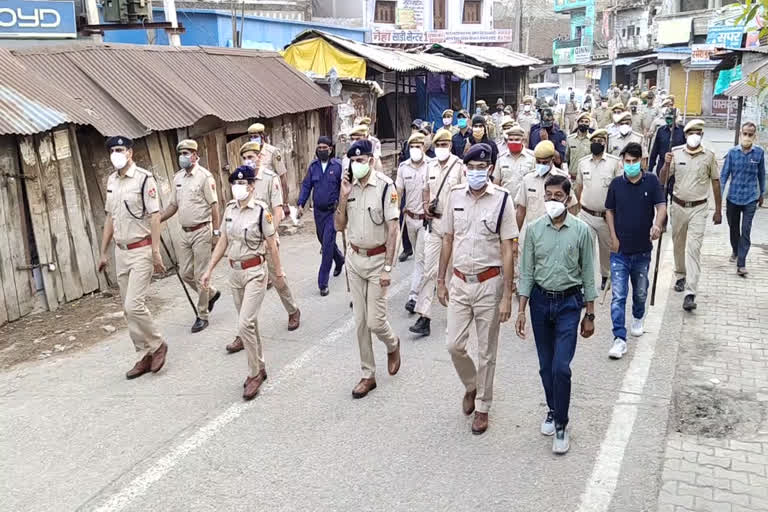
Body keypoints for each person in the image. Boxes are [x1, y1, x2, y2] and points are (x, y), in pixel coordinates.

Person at [438, 143, 518, 435]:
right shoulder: (455, 195)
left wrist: (508, 295)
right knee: (454, 345)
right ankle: (472, 384)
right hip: (459, 281)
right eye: (470, 168)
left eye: (480, 168)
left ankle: (483, 406)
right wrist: (440, 280)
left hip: (489, 282)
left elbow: (508, 248)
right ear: (465, 169)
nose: (475, 172)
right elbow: (447, 238)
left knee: (487, 351)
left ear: (490, 169)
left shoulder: (502, 200)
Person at [516, 173, 597, 454]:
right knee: (545, 366)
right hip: (540, 302)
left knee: (561, 367)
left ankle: (561, 423)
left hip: (569, 304)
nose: (552, 201)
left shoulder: (581, 231)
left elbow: (588, 272)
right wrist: (522, 310)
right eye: (547, 196)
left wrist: (590, 314)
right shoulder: (535, 230)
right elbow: (526, 271)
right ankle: (552, 408)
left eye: (558, 196)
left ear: (568, 198)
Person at [200, 165, 286, 400]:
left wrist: (278, 273)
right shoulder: (229, 209)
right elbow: (224, 241)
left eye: (242, 184)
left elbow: (271, 244)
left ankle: (254, 373)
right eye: (234, 184)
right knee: (250, 324)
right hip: (235, 273)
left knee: (244, 324)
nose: (237, 188)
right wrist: (209, 269)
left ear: (251, 186)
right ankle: (260, 366)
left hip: (255, 272)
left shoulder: (261, 212)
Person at [334, 139, 402, 398]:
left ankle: (393, 343)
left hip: (377, 262)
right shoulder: (348, 188)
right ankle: (367, 373)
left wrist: (387, 267)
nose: (357, 165)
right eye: (353, 161)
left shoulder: (385, 187)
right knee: (360, 322)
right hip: (355, 259)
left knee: (375, 321)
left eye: (361, 161)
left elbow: (393, 229)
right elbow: (340, 225)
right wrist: (343, 196)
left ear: (371, 161)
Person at [98, 136, 168, 379]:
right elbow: (110, 218)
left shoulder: (143, 179)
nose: (116, 153)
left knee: (134, 304)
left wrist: (156, 251)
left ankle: (158, 344)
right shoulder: (111, 181)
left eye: (120, 149)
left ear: (130, 152)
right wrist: (103, 251)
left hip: (141, 249)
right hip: (121, 251)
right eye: (112, 150)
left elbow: (155, 216)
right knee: (127, 311)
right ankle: (144, 354)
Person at [226, 142, 300, 355]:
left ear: (259, 157)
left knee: (278, 279)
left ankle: (293, 310)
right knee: (244, 292)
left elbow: (277, 212)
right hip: (246, 245)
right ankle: (244, 332)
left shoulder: (270, 179)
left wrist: (268, 235)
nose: (249, 159)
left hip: (266, 239)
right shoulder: (241, 182)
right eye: (245, 156)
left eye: (252, 156)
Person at [605, 142, 666, 360]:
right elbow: (609, 211)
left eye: (634, 161)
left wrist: (657, 224)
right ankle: (619, 339)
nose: (630, 165)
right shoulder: (615, 184)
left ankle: (638, 316)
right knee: (618, 296)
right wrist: (612, 236)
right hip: (620, 251)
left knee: (640, 292)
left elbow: (661, 206)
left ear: (641, 161)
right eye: (626, 161)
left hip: (642, 250)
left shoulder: (651, 181)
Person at [159, 139, 222, 333]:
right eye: (181, 153)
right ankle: (210, 294)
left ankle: (202, 314)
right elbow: (173, 205)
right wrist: (157, 219)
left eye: (187, 153)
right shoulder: (178, 178)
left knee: (200, 274)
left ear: (195, 155)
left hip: (202, 230)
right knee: (185, 273)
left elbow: (214, 206)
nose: (183, 157)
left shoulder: (205, 177)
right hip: (184, 232)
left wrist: (216, 232)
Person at [660, 119, 722, 311]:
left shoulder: (709, 155)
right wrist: (665, 163)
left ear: (701, 135)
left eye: (698, 132)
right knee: (678, 244)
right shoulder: (676, 153)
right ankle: (680, 275)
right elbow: (663, 179)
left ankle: (690, 292)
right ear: (685, 135)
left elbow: (716, 182)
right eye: (691, 132)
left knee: (694, 248)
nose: (694, 135)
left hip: (699, 208)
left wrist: (718, 209)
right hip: (678, 206)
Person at [410, 128, 465, 336]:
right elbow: (426, 189)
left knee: (451, 272)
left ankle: (454, 316)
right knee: (429, 270)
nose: (441, 148)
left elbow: (464, 194)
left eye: (445, 145)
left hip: (454, 227)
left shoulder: (459, 166)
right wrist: (425, 205)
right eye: (438, 145)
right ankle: (424, 317)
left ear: (450, 146)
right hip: (434, 224)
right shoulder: (430, 165)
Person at [574, 129, 622, 291]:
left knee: (606, 249)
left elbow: (620, 189)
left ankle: (605, 276)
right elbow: (578, 187)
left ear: (605, 143)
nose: (598, 144)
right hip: (586, 214)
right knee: (584, 249)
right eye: (595, 141)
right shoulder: (583, 163)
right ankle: (582, 281)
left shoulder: (614, 163)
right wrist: (578, 209)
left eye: (601, 141)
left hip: (605, 216)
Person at [297, 136, 345, 296]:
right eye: (319, 147)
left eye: (325, 147)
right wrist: (300, 204)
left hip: (332, 212)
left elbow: (344, 187)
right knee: (323, 241)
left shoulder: (337, 166)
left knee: (326, 246)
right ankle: (339, 259)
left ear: (330, 149)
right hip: (318, 213)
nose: (321, 150)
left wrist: (343, 207)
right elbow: (306, 186)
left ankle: (322, 283)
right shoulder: (313, 167)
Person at [720, 121, 766, 276]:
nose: (747, 136)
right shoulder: (732, 153)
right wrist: (718, 196)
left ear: (754, 136)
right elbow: (724, 175)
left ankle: (741, 263)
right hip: (733, 197)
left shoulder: (759, 153)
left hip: (750, 198)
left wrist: (762, 194)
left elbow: (761, 175)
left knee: (745, 230)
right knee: (734, 228)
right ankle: (735, 249)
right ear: (740, 134)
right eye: (745, 133)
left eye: (750, 134)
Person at [396, 132, 429, 315]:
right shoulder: (403, 168)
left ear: (424, 147)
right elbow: (398, 192)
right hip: (410, 219)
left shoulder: (431, 166)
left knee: (420, 259)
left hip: (426, 221)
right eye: (412, 146)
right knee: (419, 256)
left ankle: (414, 296)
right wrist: (394, 211)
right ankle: (428, 279)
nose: (415, 149)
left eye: (419, 146)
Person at [247, 123, 290, 219]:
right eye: (251, 137)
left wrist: (285, 202)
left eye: (256, 136)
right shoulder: (249, 154)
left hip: (271, 199)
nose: (253, 139)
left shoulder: (273, 152)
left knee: (270, 228)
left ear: (262, 136)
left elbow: (282, 176)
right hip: (256, 198)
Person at [496, 125, 535, 200]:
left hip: (525, 202)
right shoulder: (501, 158)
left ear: (522, 141)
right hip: (505, 202)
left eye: (517, 139)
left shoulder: (532, 157)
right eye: (510, 139)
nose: (513, 142)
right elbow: (496, 183)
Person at [648, 108, 685, 175]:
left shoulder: (682, 130)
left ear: (675, 118)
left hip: (678, 164)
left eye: (670, 118)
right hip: (662, 163)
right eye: (667, 118)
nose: (668, 120)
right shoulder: (661, 130)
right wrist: (650, 169)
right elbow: (655, 150)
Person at [565, 113, 594, 179]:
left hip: (587, 177)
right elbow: (566, 158)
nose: (584, 123)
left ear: (589, 124)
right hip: (573, 177)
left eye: (586, 122)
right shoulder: (570, 139)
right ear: (578, 123)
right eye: (581, 121)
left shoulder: (592, 140)